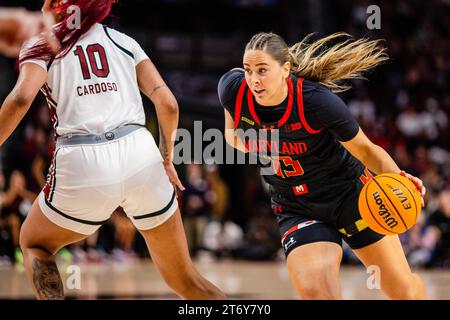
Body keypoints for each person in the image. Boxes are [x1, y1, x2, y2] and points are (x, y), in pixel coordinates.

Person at [0, 0, 225, 300]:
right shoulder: (124, 42)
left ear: (57, 5)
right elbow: (168, 103)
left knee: (33, 243)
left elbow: (19, 100)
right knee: (186, 281)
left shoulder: (42, 43)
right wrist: (167, 158)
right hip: (141, 154)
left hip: (83, 158)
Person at [218, 32, 427, 299]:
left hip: (351, 197)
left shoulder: (316, 101)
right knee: (318, 294)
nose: (254, 80)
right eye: (248, 70)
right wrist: (264, 144)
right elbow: (232, 135)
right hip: (297, 205)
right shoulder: (233, 89)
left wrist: (399, 178)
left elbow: (365, 149)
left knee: (404, 293)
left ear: (285, 70)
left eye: (262, 70)